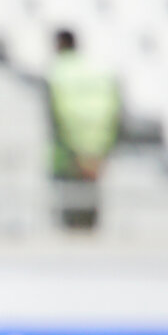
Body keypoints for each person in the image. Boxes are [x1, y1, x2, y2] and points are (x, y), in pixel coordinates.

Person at [46, 28, 121, 230]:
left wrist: (73, 145)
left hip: (70, 146)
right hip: (99, 142)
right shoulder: (96, 70)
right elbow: (111, 107)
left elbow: (60, 112)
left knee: (70, 198)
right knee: (90, 193)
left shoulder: (58, 71)